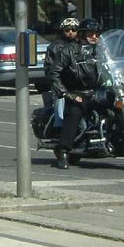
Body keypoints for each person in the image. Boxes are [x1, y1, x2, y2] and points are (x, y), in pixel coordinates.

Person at [49, 18, 102, 170]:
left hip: (98, 91)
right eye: (91, 33)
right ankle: (63, 150)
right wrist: (65, 93)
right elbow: (54, 73)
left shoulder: (101, 51)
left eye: (97, 34)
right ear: (83, 34)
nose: (95, 37)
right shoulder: (69, 50)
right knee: (75, 110)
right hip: (78, 92)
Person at [43, 17, 79, 135]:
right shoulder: (54, 47)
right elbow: (49, 69)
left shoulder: (82, 46)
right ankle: (59, 128)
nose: (70, 32)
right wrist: (58, 84)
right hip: (63, 84)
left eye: (74, 29)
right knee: (60, 101)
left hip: (79, 84)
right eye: (67, 29)